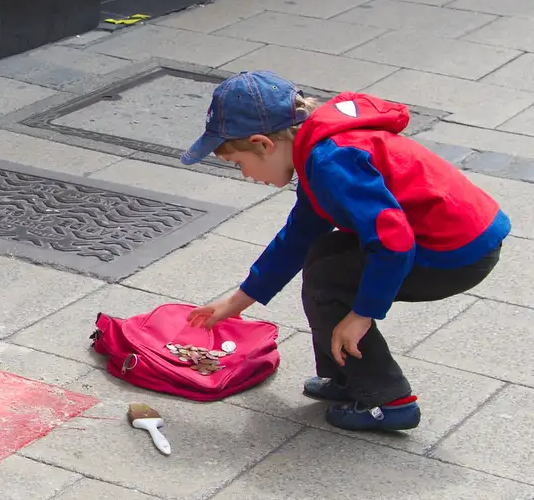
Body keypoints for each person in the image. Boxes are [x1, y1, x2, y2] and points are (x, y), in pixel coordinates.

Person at [182, 71, 508, 432]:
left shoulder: (328, 163)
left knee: (330, 280)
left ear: (263, 144)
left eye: (239, 164)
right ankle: (347, 379)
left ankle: (388, 401)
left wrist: (363, 313)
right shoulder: (315, 151)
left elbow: (393, 241)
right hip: (454, 235)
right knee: (322, 254)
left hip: (455, 253)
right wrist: (237, 302)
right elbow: (299, 235)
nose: (245, 175)